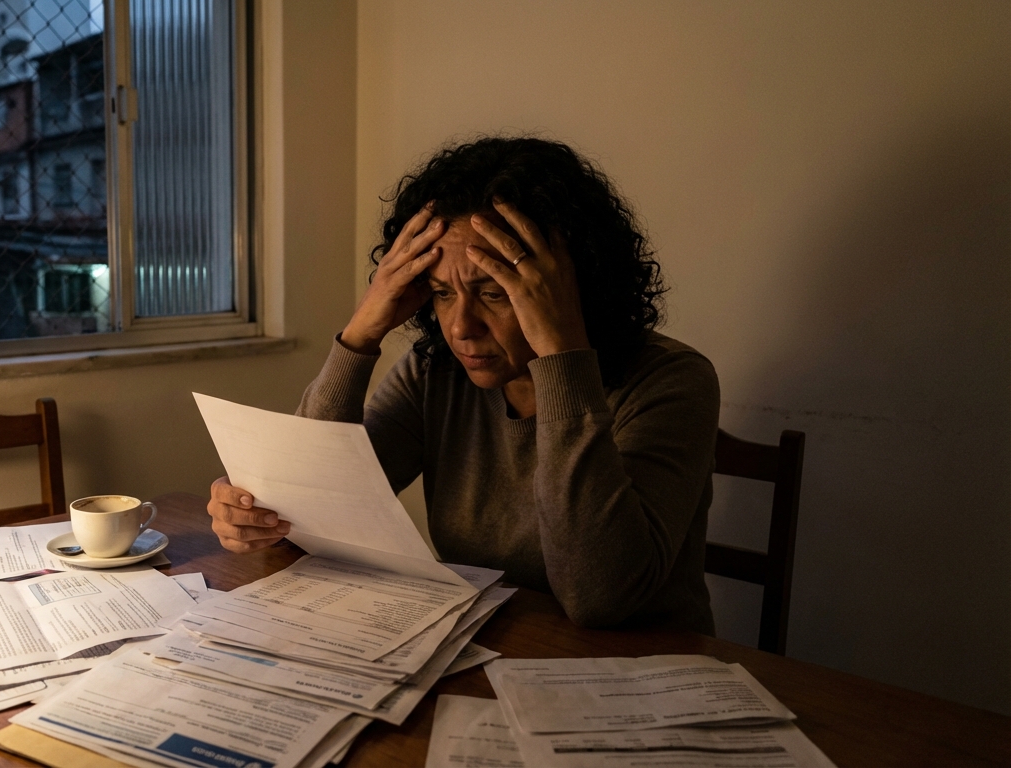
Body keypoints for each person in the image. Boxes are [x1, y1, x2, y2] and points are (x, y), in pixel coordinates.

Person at [207, 137, 720, 634]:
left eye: (494, 293)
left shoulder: (672, 381)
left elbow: (601, 598)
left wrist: (563, 358)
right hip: (489, 646)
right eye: (441, 293)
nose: (460, 328)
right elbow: (311, 512)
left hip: (640, 670)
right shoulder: (437, 371)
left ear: (567, 288)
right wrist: (362, 333)